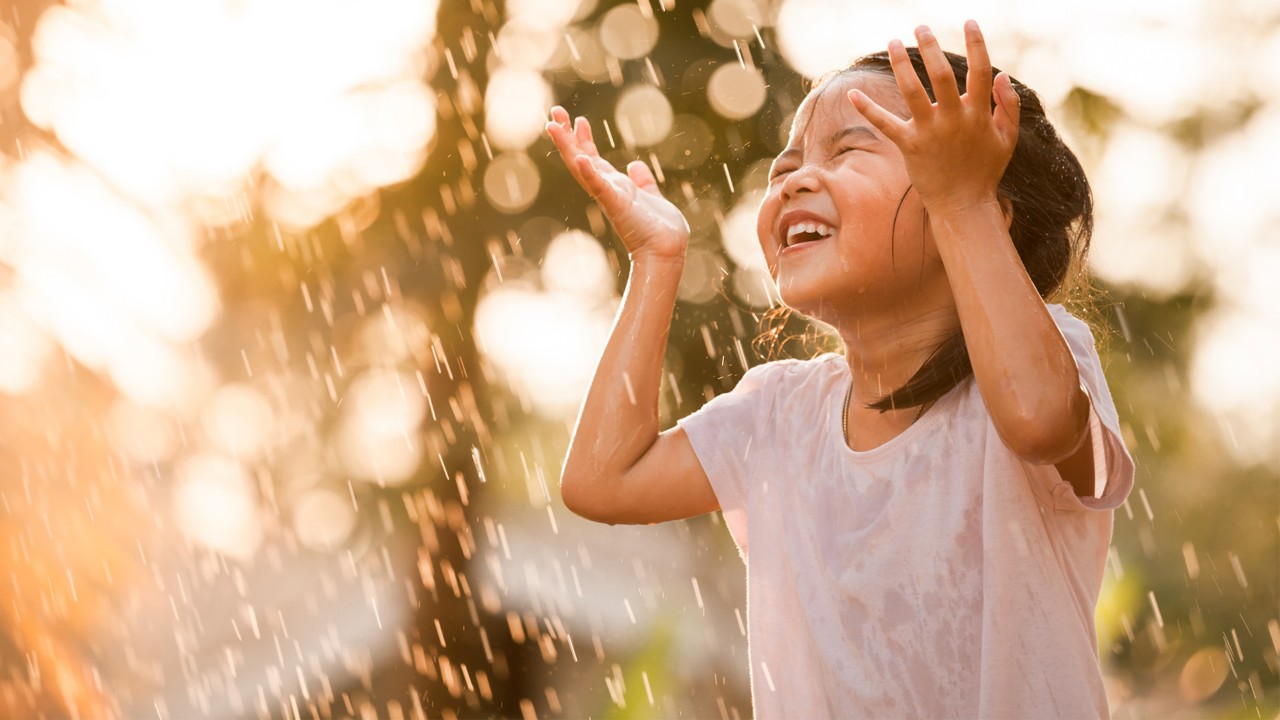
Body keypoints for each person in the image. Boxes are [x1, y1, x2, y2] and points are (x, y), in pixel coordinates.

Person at [546, 20, 1134, 719]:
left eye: (849, 150)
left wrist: (961, 201)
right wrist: (656, 260)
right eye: (785, 168)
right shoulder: (778, 416)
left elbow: (1038, 422)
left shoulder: (1049, 360)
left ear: (985, 208)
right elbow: (600, 481)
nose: (797, 182)